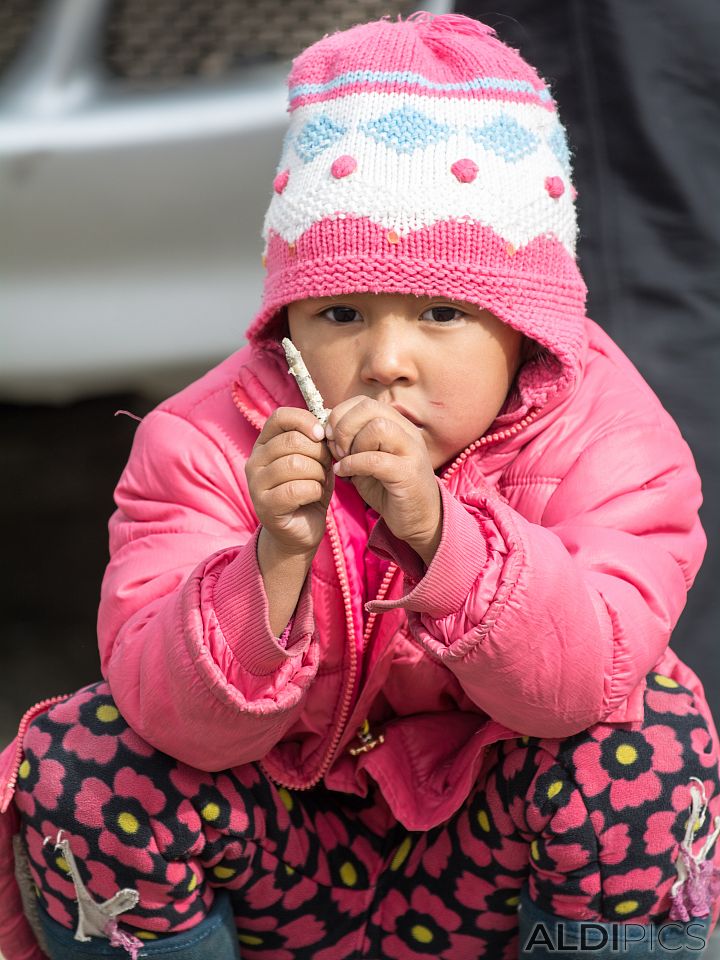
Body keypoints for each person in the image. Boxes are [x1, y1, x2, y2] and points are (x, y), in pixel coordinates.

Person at [1, 12, 719, 960]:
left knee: (653, 737)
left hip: (495, 869)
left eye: (442, 313)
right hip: (283, 856)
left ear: (527, 327)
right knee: (82, 756)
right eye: (341, 311)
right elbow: (167, 719)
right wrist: (271, 564)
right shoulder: (202, 441)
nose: (386, 360)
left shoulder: (609, 435)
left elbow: (581, 687)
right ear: (285, 319)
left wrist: (446, 538)